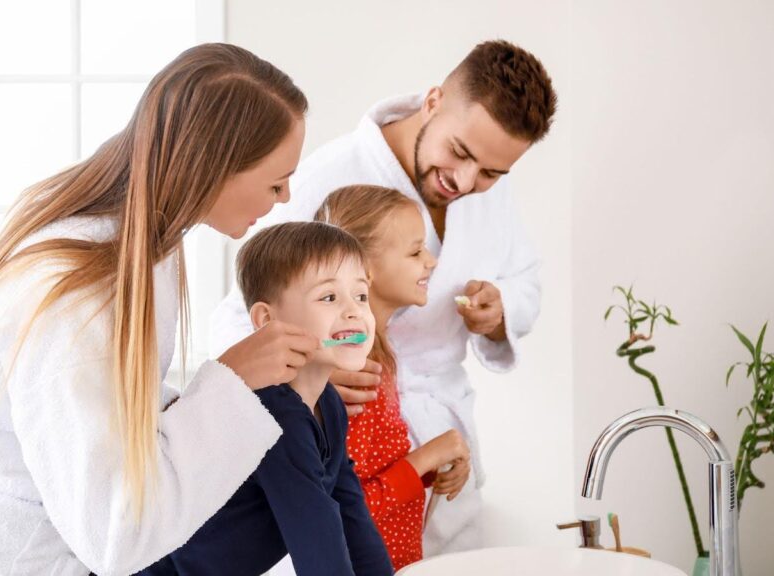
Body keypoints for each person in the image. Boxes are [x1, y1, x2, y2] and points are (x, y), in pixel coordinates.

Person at [0, 43, 321, 576]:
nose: (286, 197)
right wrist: (233, 382)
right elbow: (116, 532)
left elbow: (108, 405)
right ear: (213, 168)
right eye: (275, 181)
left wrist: (245, 389)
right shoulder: (73, 301)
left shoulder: (146, 245)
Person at [210, 39, 558, 555]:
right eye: (460, 153)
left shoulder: (488, 186)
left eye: (490, 173)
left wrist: (501, 306)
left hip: (442, 440)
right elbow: (245, 314)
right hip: (356, 424)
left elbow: (526, 276)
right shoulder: (326, 179)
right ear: (434, 101)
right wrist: (316, 370)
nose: (466, 181)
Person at [137, 221, 393, 576]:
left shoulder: (329, 405)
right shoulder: (274, 414)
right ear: (267, 320)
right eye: (329, 297)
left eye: (361, 296)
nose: (354, 311)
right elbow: (317, 537)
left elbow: (349, 510)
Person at [314, 185, 469, 570]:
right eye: (416, 252)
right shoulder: (354, 370)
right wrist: (428, 454)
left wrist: (439, 462)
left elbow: (375, 473)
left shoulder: (378, 354)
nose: (431, 262)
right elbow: (348, 508)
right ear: (366, 269)